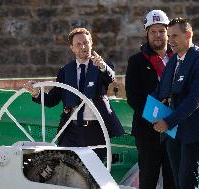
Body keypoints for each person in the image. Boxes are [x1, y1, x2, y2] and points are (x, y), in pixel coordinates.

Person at [24, 27, 125, 160]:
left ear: (91, 44)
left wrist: (102, 66)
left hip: (96, 129)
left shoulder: (102, 66)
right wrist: (37, 93)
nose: (83, 46)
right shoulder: (65, 71)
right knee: (67, 167)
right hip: (71, 130)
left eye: (86, 42)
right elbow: (52, 100)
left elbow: (110, 77)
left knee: (94, 171)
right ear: (72, 47)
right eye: (78, 44)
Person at [153, 18, 199, 189]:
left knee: (187, 182)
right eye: (169, 35)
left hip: (194, 131)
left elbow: (194, 100)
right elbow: (160, 91)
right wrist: (151, 112)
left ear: (188, 35)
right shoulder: (173, 61)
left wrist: (167, 122)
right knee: (177, 182)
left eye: (175, 36)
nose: (170, 40)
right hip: (173, 133)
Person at [125, 10, 175, 189]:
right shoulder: (136, 61)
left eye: (161, 31)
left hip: (174, 129)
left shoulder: (178, 58)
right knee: (148, 180)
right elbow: (132, 96)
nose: (157, 35)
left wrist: (170, 119)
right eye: (153, 31)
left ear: (167, 32)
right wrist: (156, 117)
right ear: (147, 33)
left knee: (174, 180)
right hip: (147, 130)